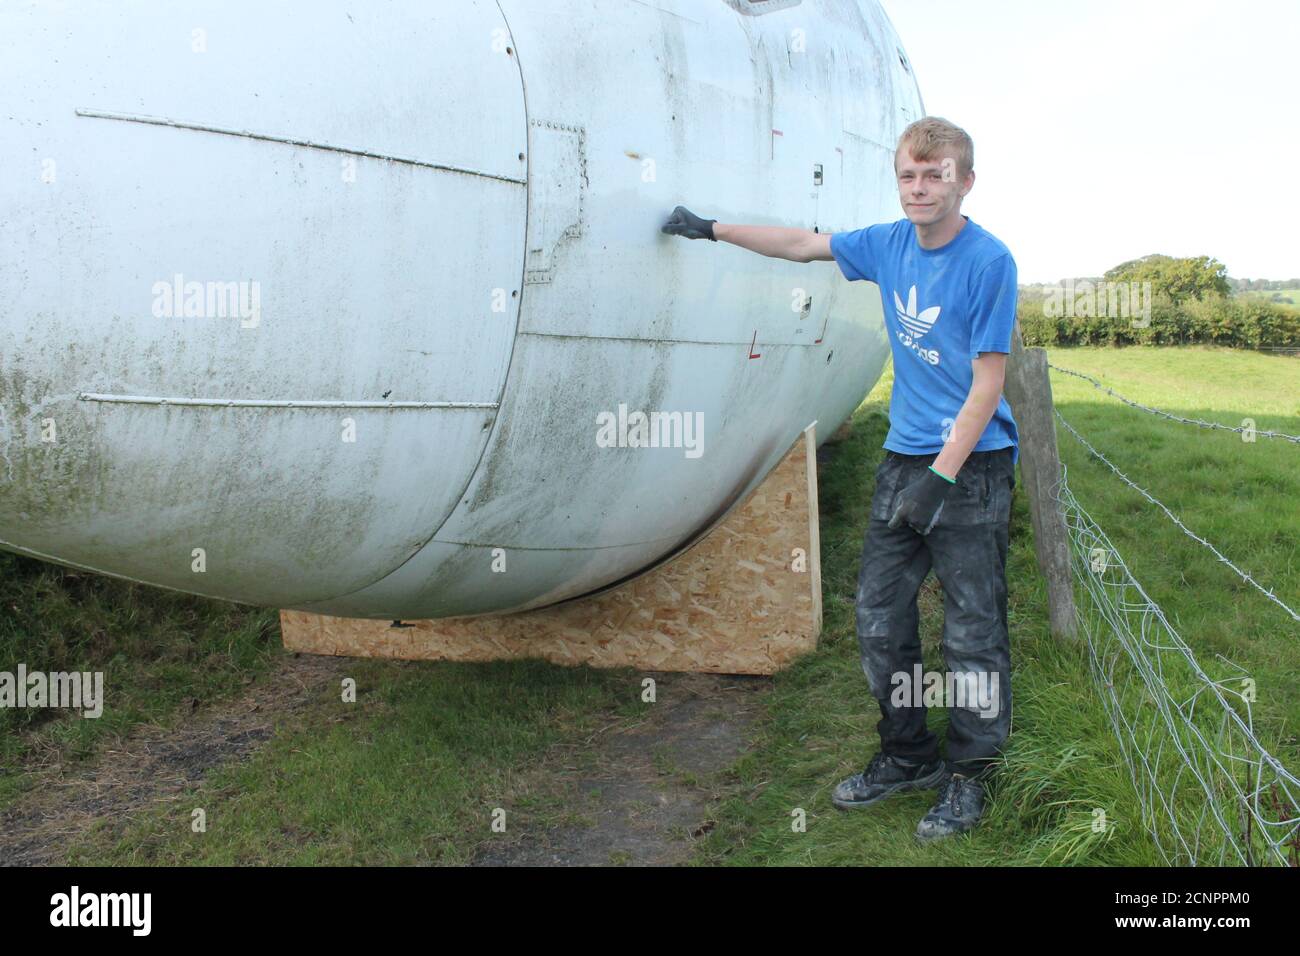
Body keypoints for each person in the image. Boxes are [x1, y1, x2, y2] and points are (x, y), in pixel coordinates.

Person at [661, 116, 1019, 841]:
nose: (919, 189)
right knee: (880, 619)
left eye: (935, 175)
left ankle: (971, 777)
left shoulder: (990, 262)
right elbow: (801, 245)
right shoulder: (889, 244)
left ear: (965, 182)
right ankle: (908, 754)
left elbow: (987, 387)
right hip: (902, 461)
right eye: (909, 176)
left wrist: (941, 481)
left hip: (970, 466)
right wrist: (712, 229)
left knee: (971, 631)